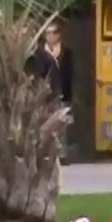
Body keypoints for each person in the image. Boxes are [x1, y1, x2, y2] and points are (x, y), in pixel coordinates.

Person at [26, 20, 75, 162]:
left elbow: (70, 74)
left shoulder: (66, 52)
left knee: (62, 123)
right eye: (48, 33)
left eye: (54, 32)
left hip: (62, 92)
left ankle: (62, 153)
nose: (51, 36)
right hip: (43, 95)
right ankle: (47, 153)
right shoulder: (38, 55)